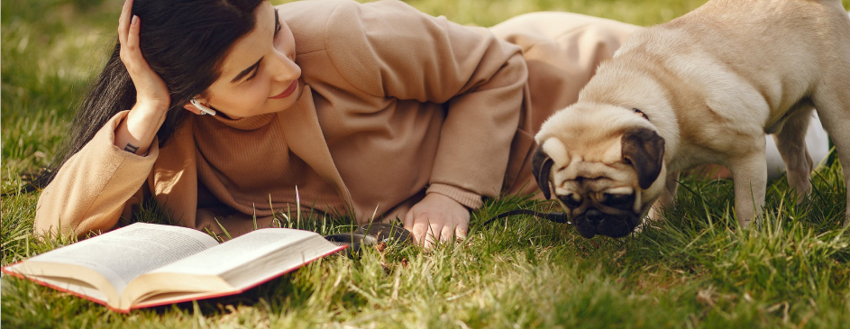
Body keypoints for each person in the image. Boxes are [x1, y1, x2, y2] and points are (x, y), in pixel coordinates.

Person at [33, 0, 640, 247]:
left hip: (576, 89)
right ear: (192, 99)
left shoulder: (341, 36)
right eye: (248, 75)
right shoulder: (166, 141)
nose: (284, 67)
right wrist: (144, 114)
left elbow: (496, 66)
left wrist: (453, 193)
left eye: (275, 29)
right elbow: (55, 229)